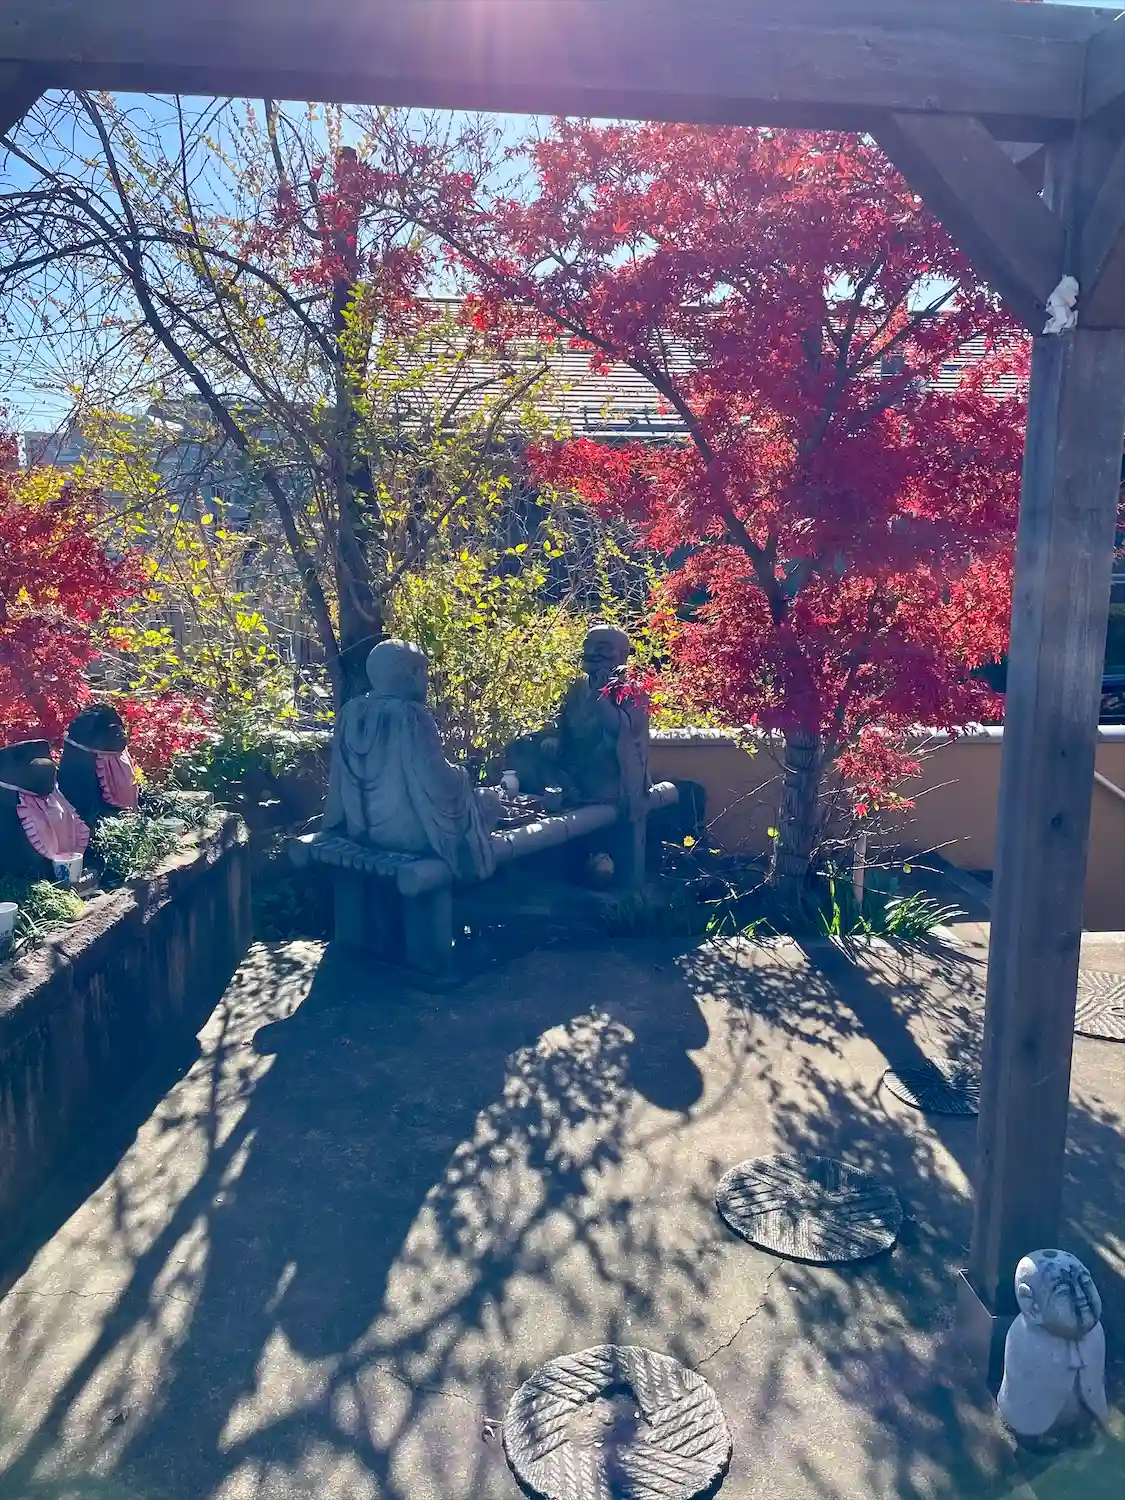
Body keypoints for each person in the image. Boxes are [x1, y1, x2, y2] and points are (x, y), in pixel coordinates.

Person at [323, 639, 499, 882]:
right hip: (407, 837)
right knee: (489, 801)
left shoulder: (349, 712)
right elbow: (438, 784)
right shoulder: (411, 716)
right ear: (408, 674)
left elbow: (337, 782)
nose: (428, 679)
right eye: (423, 671)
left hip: (359, 830)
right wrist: (462, 775)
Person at [504, 625, 651, 818]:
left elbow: (622, 733)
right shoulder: (577, 686)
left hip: (607, 771)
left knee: (605, 750)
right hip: (573, 758)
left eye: (603, 648)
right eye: (588, 646)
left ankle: (571, 792)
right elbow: (560, 721)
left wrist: (601, 696)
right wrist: (555, 738)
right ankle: (559, 790)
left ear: (623, 655)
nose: (592, 652)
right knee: (521, 747)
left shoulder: (633, 690)